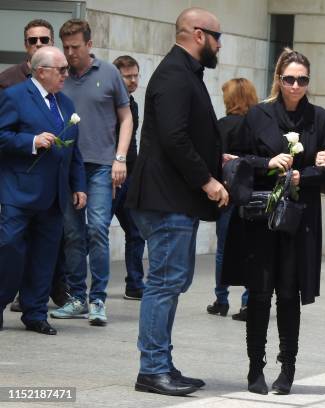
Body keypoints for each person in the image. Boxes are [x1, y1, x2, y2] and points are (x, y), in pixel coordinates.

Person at [222, 48, 325, 395]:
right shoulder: (259, 115)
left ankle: (287, 368)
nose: (295, 85)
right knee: (259, 295)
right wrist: (268, 163)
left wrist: (302, 176)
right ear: (278, 79)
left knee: (289, 296)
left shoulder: (319, 119)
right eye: (289, 79)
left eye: (302, 80)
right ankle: (254, 369)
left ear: (308, 82)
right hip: (262, 218)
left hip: (299, 221)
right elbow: (236, 159)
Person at [126, 7, 228, 396]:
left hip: (172, 199)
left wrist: (218, 159)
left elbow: (185, 135)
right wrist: (207, 181)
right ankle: (152, 369)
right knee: (165, 283)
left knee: (172, 281)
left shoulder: (184, 72)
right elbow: (173, 138)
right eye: (218, 37)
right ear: (199, 34)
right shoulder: (174, 73)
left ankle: (160, 363)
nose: (220, 45)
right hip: (165, 200)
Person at [50, 19, 133, 326]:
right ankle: (76, 298)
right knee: (72, 233)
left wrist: (120, 158)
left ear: (89, 44)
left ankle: (98, 298)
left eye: (75, 46)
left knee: (97, 229)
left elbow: (126, 118)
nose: (70, 53)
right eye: (66, 47)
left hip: (101, 165)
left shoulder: (109, 73)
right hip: (69, 167)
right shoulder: (60, 76)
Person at [0, 46, 87, 334]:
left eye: (66, 70)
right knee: (10, 248)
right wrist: (31, 141)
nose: (66, 74)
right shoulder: (14, 96)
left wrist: (79, 185)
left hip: (54, 195)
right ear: (41, 71)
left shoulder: (67, 105)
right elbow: (2, 136)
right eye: (61, 70)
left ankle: (35, 313)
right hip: (19, 191)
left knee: (45, 256)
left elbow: (74, 150)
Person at [206, 78, 256, 320]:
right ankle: (247, 302)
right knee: (251, 250)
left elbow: (213, 160)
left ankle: (221, 299)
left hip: (226, 195)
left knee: (223, 250)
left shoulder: (222, 126)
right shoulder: (257, 126)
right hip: (251, 195)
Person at [111, 55, 145, 301]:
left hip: (130, 175)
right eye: (128, 76)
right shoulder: (111, 104)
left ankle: (134, 284)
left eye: (135, 75)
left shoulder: (132, 104)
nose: (133, 80)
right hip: (111, 175)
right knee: (96, 231)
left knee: (136, 231)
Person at [0, 19, 54, 91]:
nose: (38, 44)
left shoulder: (61, 76)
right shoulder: (6, 79)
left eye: (44, 39)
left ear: (52, 43)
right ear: (26, 45)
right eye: (32, 40)